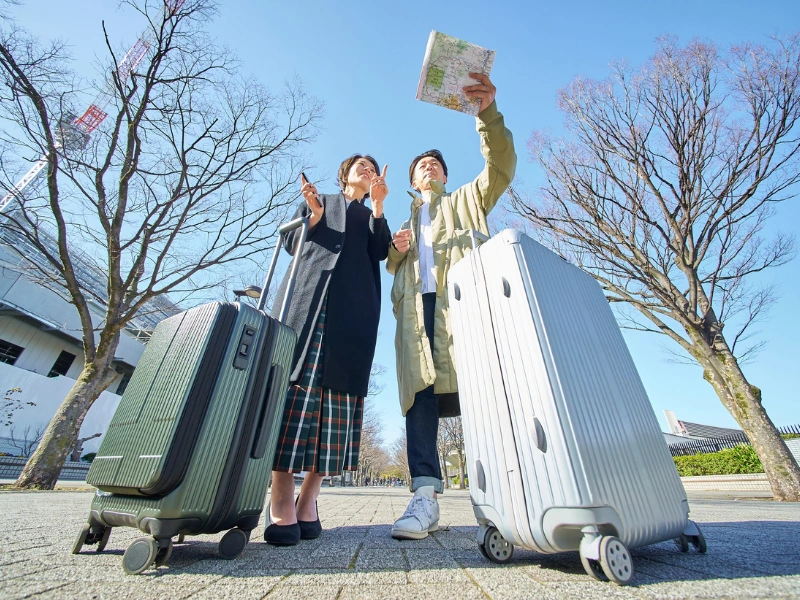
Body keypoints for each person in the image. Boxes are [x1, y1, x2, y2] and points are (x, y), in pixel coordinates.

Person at [387, 74, 516, 540]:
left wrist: (486, 114)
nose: (429, 167)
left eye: (435, 164)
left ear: (444, 174)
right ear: (411, 178)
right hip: (414, 314)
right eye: (421, 164)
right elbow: (384, 266)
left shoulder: (465, 200)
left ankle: (499, 500)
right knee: (419, 399)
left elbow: (500, 167)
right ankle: (424, 498)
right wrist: (395, 248)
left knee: (481, 396)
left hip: (463, 306)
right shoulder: (400, 224)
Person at [265, 155, 392, 546]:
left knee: (338, 403)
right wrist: (314, 218)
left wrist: (379, 206)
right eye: (360, 167)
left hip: (353, 317)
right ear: (345, 175)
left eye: (373, 168)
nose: (367, 171)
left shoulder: (373, 213)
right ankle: (282, 494)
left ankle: (310, 497)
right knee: (293, 394)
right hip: (308, 305)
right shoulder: (318, 199)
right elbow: (288, 241)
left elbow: (381, 251)